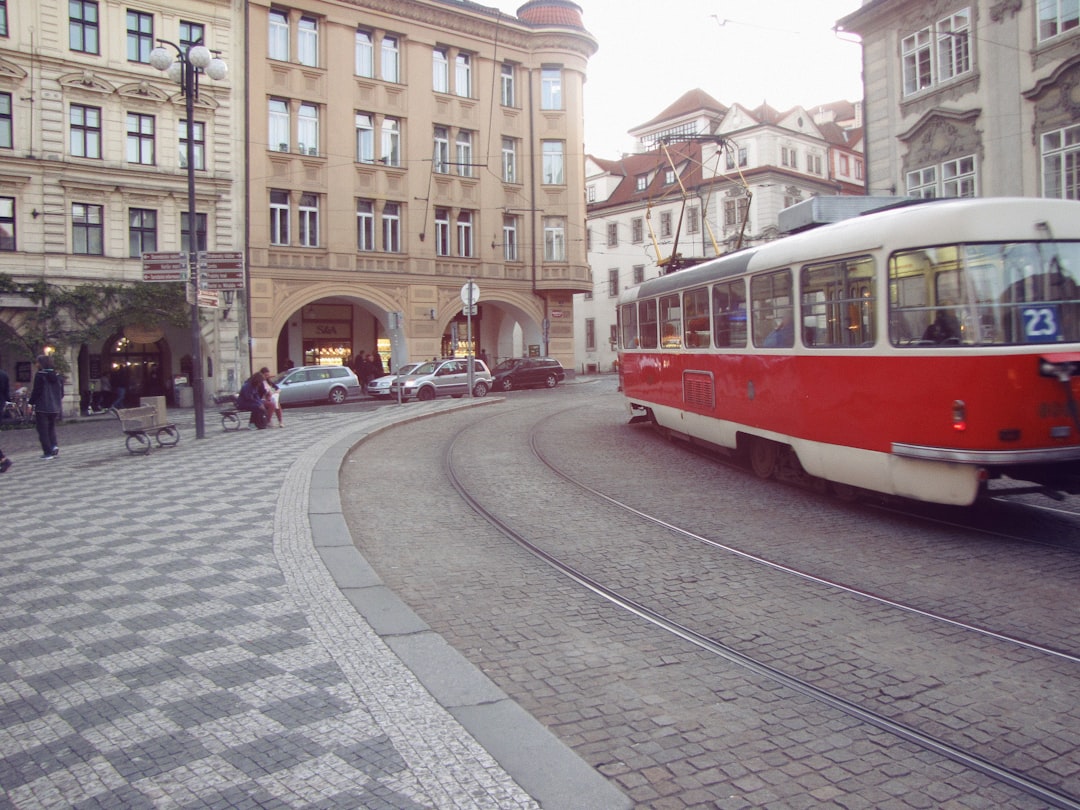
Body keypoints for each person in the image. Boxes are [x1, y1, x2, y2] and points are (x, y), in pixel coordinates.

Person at [29, 354, 63, 459]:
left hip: (42, 406)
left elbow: (37, 391)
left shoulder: (40, 375)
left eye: (37, 362)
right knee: (51, 428)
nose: (36, 364)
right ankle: (54, 446)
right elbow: (62, 393)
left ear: (41, 363)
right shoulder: (57, 376)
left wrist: (31, 403)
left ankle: (47, 452)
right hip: (55, 407)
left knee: (42, 430)